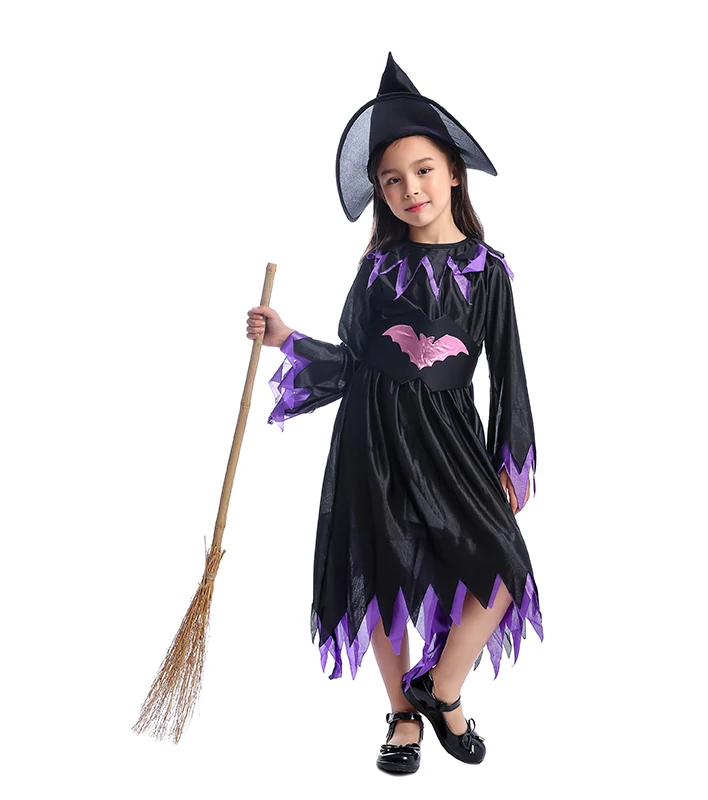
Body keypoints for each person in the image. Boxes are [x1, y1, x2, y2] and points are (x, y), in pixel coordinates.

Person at [246, 53, 543, 774]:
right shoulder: (378, 268)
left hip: (451, 440)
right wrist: (287, 339)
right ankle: (403, 715)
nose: (411, 189)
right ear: (380, 192)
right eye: (392, 179)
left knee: (502, 569)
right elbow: (354, 362)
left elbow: (509, 372)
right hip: (372, 436)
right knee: (381, 572)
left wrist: (511, 459)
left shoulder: (487, 272)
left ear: (454, 174)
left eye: (423, 170)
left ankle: (440, 689)